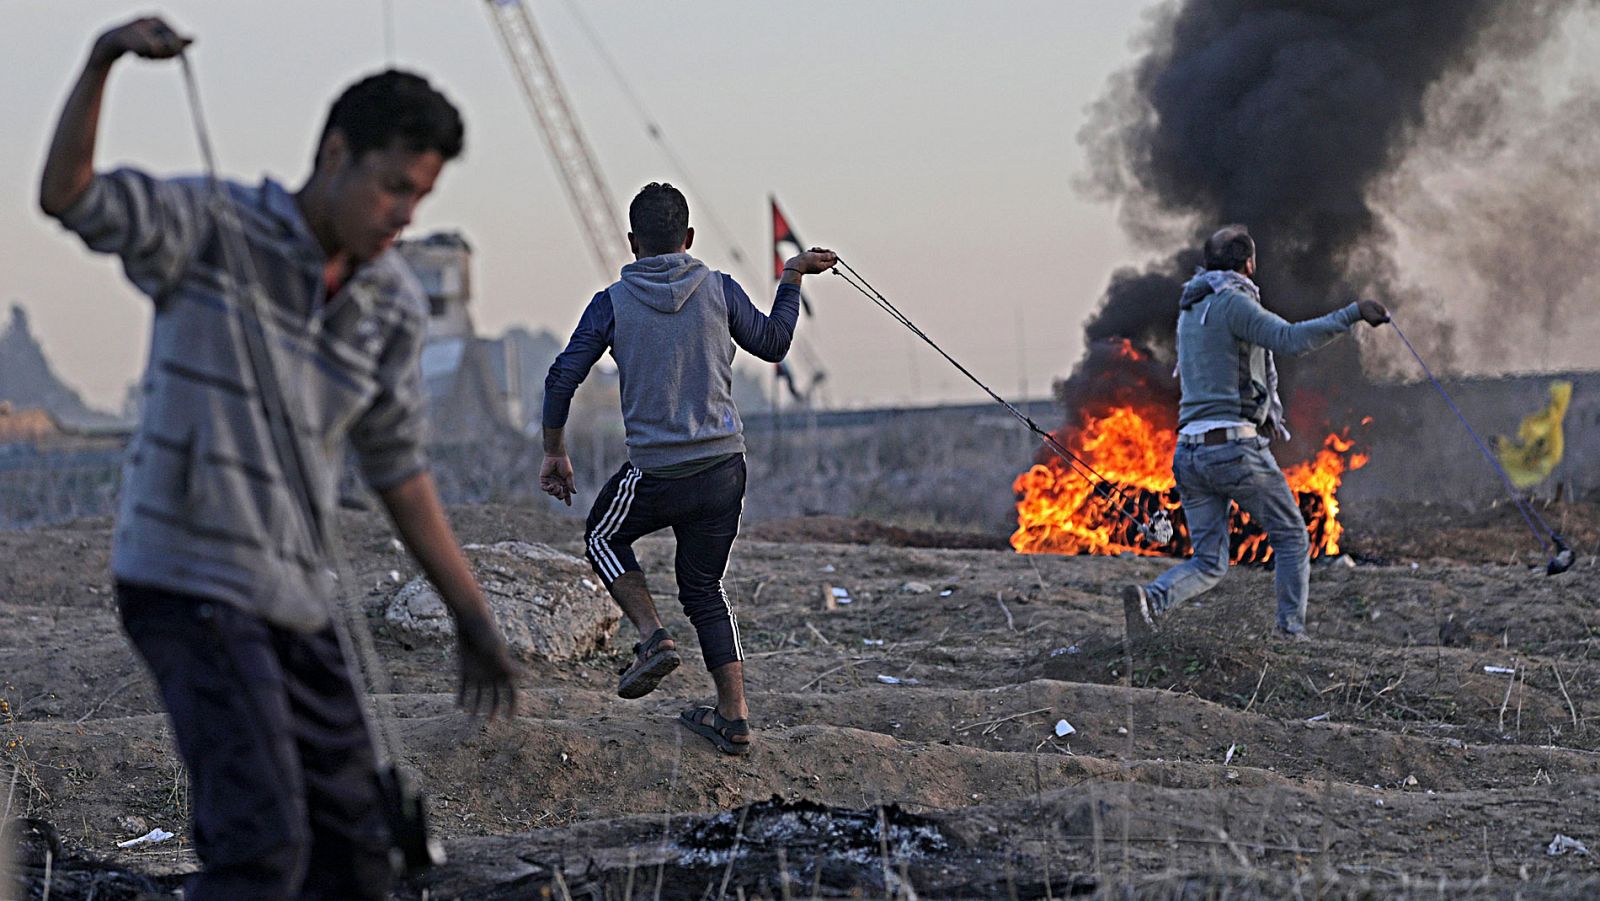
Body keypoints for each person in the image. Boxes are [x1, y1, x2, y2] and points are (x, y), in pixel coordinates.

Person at [39, 16, 518, 898]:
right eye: (391, 188)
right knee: (261, 845)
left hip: (291, 596)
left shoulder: (391, 307)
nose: (405, 216)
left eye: (421, 198)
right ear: (334, 155)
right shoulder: (211, 229)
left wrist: (471, 613)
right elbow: (67, 195)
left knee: (357, 856)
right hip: (186, 578)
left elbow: (399, 470)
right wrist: (101, 58)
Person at [539, 182, 835, 755]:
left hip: (659, 474)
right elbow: (774, 344)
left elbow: (561, 378)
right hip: (725, 468)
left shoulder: (611, 304)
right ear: (689, 239)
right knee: (704, 586)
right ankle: (735, 717)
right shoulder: (719, 290)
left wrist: (555, 451)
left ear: (632, 243)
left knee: (602, 535)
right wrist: (792, 277)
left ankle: (653, 638)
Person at [1122, 224, 1388, 643]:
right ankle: (1290, 634)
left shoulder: (1192, 307)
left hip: (1189, 452)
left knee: (1210, 561)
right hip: (1232, 449)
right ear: (1248, 265)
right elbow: (1288, 338)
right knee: (1291, 537)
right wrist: (1353, 313)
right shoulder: (1231, 303)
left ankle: (1152, 599)